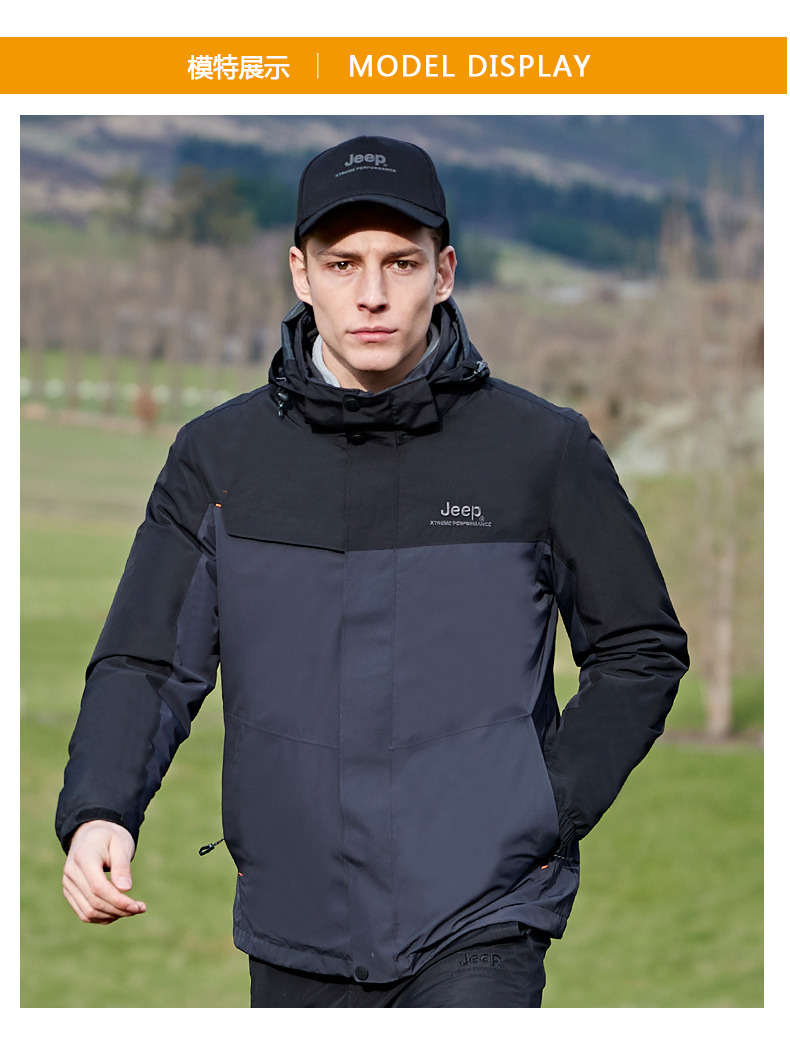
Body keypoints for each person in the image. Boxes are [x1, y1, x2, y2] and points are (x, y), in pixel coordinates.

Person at [56, 135, 689, 1008]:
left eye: (401, 262)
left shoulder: (543, 451)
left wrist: (543, 805)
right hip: (294, 914)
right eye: (342, 263)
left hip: (483, 916)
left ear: (444, 272)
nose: (373, 293)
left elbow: (640, 648)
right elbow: (149, 662)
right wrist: (102, 807)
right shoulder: (219, 458)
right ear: (300, 274)